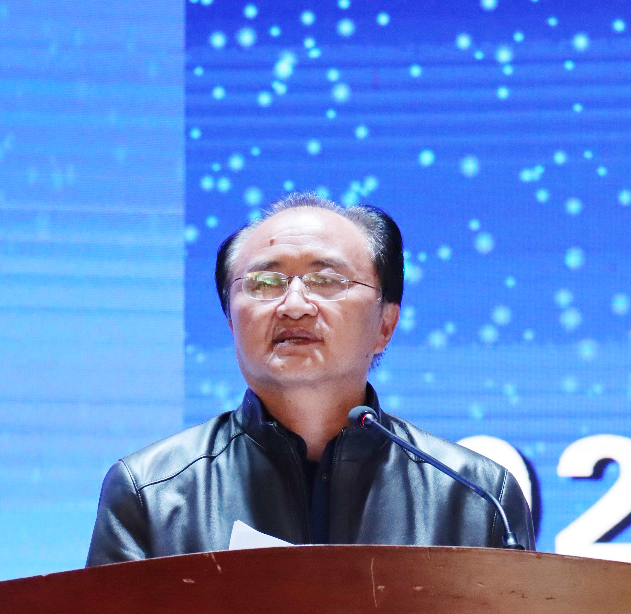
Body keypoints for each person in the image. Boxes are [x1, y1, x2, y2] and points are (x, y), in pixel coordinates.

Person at [86, 194, 534, 565]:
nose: (294, 305)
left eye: (327, 280)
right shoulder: (152, 492)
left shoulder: (475, 497)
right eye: (265, 283)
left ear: (385, 324)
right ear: (230, 320)